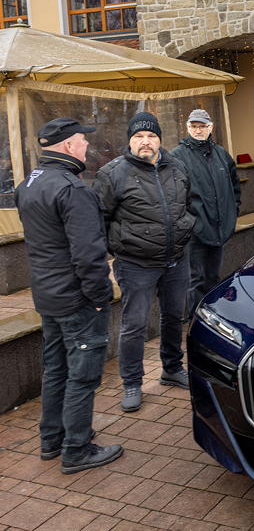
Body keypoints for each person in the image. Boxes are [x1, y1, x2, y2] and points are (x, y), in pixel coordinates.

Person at [15, 117, 123, 474]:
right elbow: (88, 255)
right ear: (66, 146)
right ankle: (76, 449)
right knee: (82, 374)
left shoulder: (28, 183)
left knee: (56, 368)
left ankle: (52, 440)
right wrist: (99, 296)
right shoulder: (73, 189)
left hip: (47, 294)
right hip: (76, 298)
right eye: (81, 141)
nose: (85, 147)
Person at [93, 112, 195, 413]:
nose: (145, 142)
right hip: (135, 264)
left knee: (174, 316)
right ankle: (132, 382)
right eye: (139, 137)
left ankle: (172, 368)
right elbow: (101, 220)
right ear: (130, 141)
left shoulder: (177, 167)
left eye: (151, 136)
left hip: (176, 259)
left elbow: (187, 204)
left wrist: (188, 226)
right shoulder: (112, 174)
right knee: (134, 325)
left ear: (160, 140)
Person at [171, 109, 241, 318]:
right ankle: (195, 321)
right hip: (195, 231)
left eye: (202, 126)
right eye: (194, 126)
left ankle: (213, 318)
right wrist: (189, 223)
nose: (198, 130)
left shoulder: (221, 154)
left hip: (218, 228)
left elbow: (234, 186)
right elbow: (174, 195)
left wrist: (232, 212)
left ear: (210, 127)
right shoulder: (177, 156)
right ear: (187, 128)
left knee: (212, 277)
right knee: (196, 280)